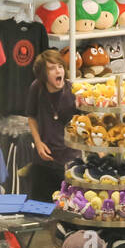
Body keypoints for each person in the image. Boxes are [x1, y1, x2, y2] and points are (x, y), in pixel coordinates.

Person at [23, 49, 79, 201]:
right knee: (39, 208)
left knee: (67, 209)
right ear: (43, 74)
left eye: (60, 66)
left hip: (69, 161)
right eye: (52, 68)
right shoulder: (37, 88)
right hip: (43, 161)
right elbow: (31, 116)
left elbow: (84, 123)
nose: (58, 70)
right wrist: (38, 143)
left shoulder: (73, 91)